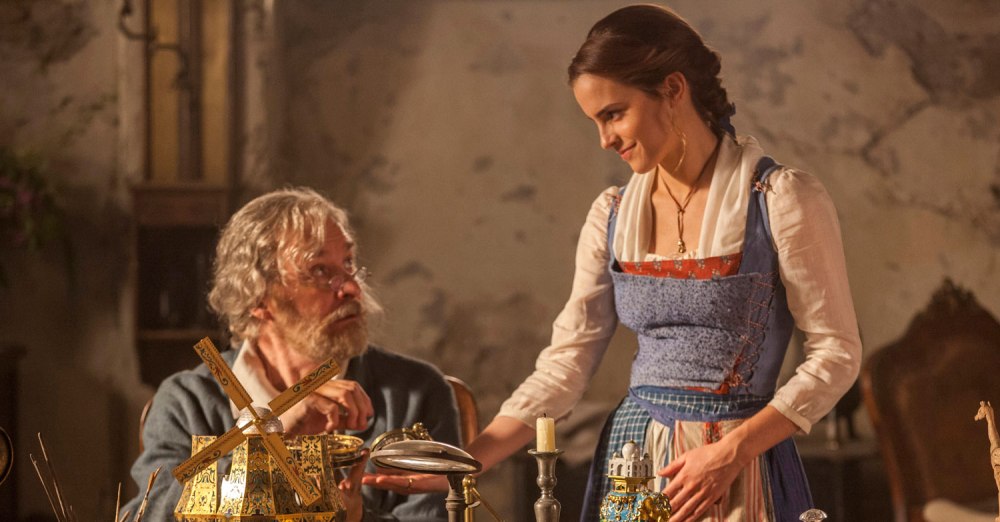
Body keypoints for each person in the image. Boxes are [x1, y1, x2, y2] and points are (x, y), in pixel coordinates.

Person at [366, 5, 861, 522]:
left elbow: (836, 353)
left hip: (736, 463)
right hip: (633, 461)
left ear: (673, 89)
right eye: (596, 122)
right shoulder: (613, 214)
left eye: (614, 114)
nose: (605, 140)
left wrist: (732, 451)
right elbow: (568, 361)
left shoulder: (780, 199)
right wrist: (469, 462)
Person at [123, 187, 461, 521]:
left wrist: (358, 518)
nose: (351, 287)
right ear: (258, 298)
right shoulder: (188, 401)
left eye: (348, 263)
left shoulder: (413, 395)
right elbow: (149, 514)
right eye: (319, 270)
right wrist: (273, 437)